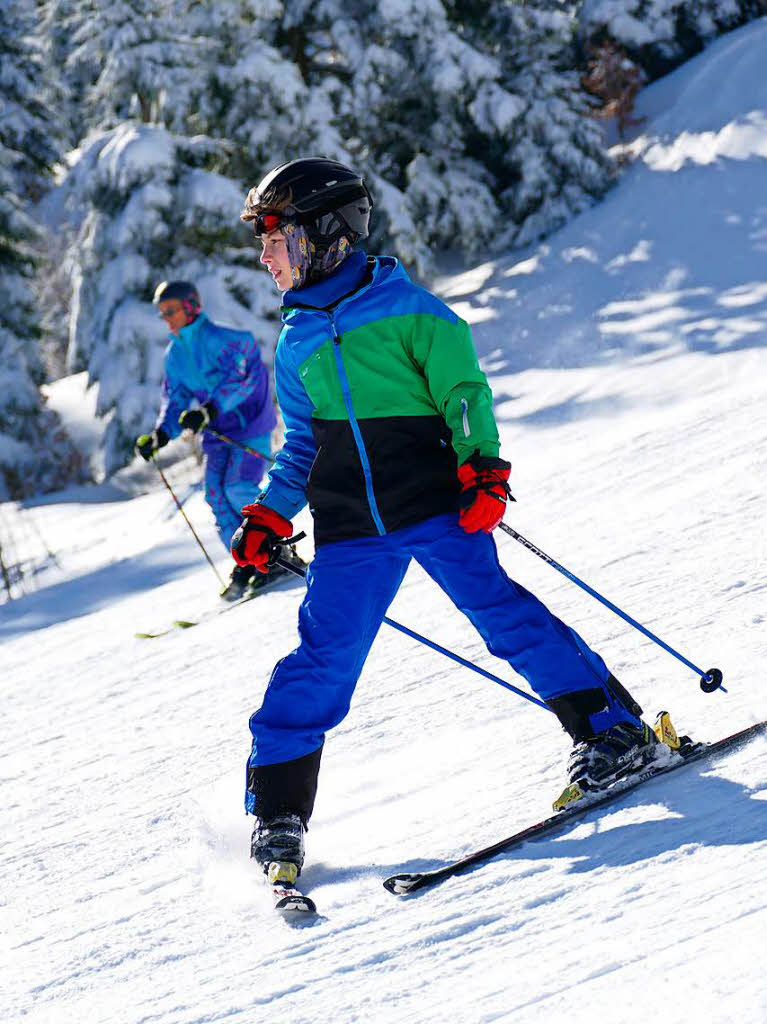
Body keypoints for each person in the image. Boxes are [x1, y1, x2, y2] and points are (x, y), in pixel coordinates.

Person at [232, 157, 662, 886]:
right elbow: (300, 441)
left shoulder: (415, 314)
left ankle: (612, 732)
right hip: (349, 529)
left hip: (433, 504)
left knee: (504, 618)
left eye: (274, 235)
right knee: (321, 661)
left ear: (325, 233)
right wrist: (270, 514)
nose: (264, 254)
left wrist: (483, 468)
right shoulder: (296, 336)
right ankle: (277, 809)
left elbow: (465, 397)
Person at [134, 280, 285, 600]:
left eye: (171, 311)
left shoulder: (227, 340)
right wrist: (161, 435)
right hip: (218, 435)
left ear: (191, 306)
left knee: (237, 488)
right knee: (215, 495)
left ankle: (276, 555)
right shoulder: (175, 354)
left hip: (249, 425)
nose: (166, 319)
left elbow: (244, 380)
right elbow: (174, 399)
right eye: (162, 313)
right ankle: (248, 561)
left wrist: (209, 409)